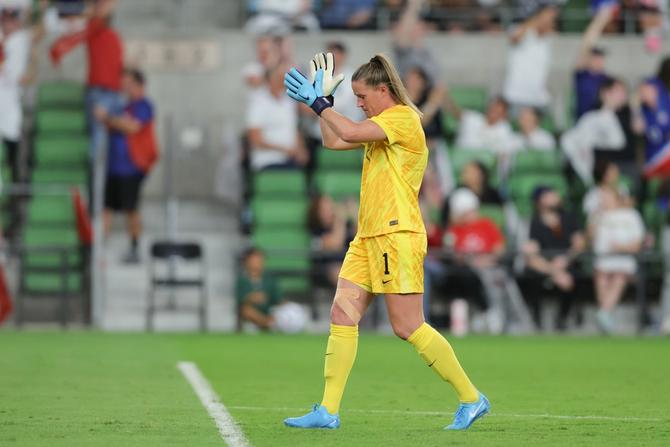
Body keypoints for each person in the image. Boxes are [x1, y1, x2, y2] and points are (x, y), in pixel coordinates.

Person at [283, 52, 489, 430]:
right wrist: (323, 109)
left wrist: (319, 103)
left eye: (362, 97)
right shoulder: (378, 125)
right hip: (367, 236)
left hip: (397, 235)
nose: (358, 104)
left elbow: (346, 131)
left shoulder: (404, 119)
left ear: (383, 90)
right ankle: (328, 410)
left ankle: (472, 398)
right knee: (342, 315)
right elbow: (332, 140)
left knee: (407, 326)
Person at [446, 188, 534, 334]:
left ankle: (516, 320)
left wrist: (488, 259)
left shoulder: (486, 224)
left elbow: (499, 247)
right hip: (470, 270)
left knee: (504, 282)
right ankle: (490, 314)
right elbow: (453, 254)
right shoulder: (454, 230)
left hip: (492, 265)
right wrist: (473, 262)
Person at [94, 68, 158, 264]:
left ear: (139, 85)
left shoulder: (144, 105)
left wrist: (107, 118)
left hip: (132, 167)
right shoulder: (123, 107)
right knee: (106, 208)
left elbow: (132, 127)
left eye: (129, 83)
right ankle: (99, 248)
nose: (125, 86)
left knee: (131, 209)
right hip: (114, 167)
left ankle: (134, 248)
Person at [50, 0, 124, 160]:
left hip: (115, 94)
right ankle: (95, 183)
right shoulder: (93, 29)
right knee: (98, 145)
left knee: (118, 140)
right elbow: (100, 13)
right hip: (100, 92)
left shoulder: (113, 36)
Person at [523, 186, 586, 330]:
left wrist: (565, 260)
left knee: (574, 278)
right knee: (533, 277)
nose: (555, 196)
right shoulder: (534, 222)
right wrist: (555, 272)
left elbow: (579, 244)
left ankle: (562, 319)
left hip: (566, 264)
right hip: (544, 266)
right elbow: (531, 255)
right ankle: (536, 321)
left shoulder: (569, 218)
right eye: (549, 195)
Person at [591, 187, 645, 334]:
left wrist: (622, 247)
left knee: (619, 277)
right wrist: (595, 217)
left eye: (606, 197)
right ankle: (605, 314)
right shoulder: (599, 216)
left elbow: (638, 241)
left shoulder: (631, 215)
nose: (603, 201)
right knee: (601, 278)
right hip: (602, 259)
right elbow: (589, 238)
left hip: (622, 259)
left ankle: (603, 313)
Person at [561, 78, 628, 184]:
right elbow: (575, 141)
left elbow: (621, 144)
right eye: (617, 91)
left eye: (623, 92)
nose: (622, 95)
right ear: (605, 93)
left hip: (623, 165)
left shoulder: (628, 116)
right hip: (597, 166)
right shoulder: (591, 116)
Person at [0, 6, 30, 237]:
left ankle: (14, 222)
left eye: (11, 20)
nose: (8, 24)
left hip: (9, 117)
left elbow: (13, 75)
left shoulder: (19, 41)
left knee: (14, 169)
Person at [245, 65, 308, 171]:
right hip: (267, 161)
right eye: (279, 77)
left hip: (290, 159)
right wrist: (284, 150)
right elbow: (255, 139)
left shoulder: (288, 101)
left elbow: (293, 128)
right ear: (270, 80)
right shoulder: (258, 103)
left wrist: (301, 149)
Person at [503, 4, 557, 114]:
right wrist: (535, 21)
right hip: (516, 96)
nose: (549, 21)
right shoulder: (522, 32)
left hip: (538, 99)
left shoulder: (549, 40)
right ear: (537, 17)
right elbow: (514, 38)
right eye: (547, 17)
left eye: (552, 19)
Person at [574, 6, 614, 120]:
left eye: (601, 57)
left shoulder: (606, 78)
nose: (599, 60)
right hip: (583, 124)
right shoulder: (583, 75)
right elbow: (585, 45)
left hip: (601, 124)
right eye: (596, 57)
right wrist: (599, 22)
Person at [307, 194, 357, 287]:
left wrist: (354, 213)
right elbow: (336, 244)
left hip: (348, 265)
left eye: (330, 207)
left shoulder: (343, 224)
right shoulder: (316, 232)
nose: (330, 211)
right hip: (325, 271)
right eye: (325, 209)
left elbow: (360, 236)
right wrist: (340, 219)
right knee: (338, 271)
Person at [446, 93, 518, 153]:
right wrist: (445, 97)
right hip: (460, 156)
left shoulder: (504, 129)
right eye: (493, 108)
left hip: (481, 164)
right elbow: (456, 112)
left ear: (504, 115)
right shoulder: (473, 117)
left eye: (498, 111)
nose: (494, 112)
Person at [440, 160, 502, 227]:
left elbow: (500, 215)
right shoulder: (456, 194)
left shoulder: (493, 194)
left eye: (473, 172)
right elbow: (446, 218)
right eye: (466, 172)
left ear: (482, 174)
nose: (468, 175)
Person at [235, 247, 282, 330]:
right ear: (247, 261)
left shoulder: (270, 280)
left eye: (260, 259)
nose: (258, 262)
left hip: (268, 311)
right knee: (246, 310)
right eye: (255, 259)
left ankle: (269, 323)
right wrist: (250, 298)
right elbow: (239, 300)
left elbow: (278, 299)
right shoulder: (242, 281)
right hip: (251, 315)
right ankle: (267, 324)